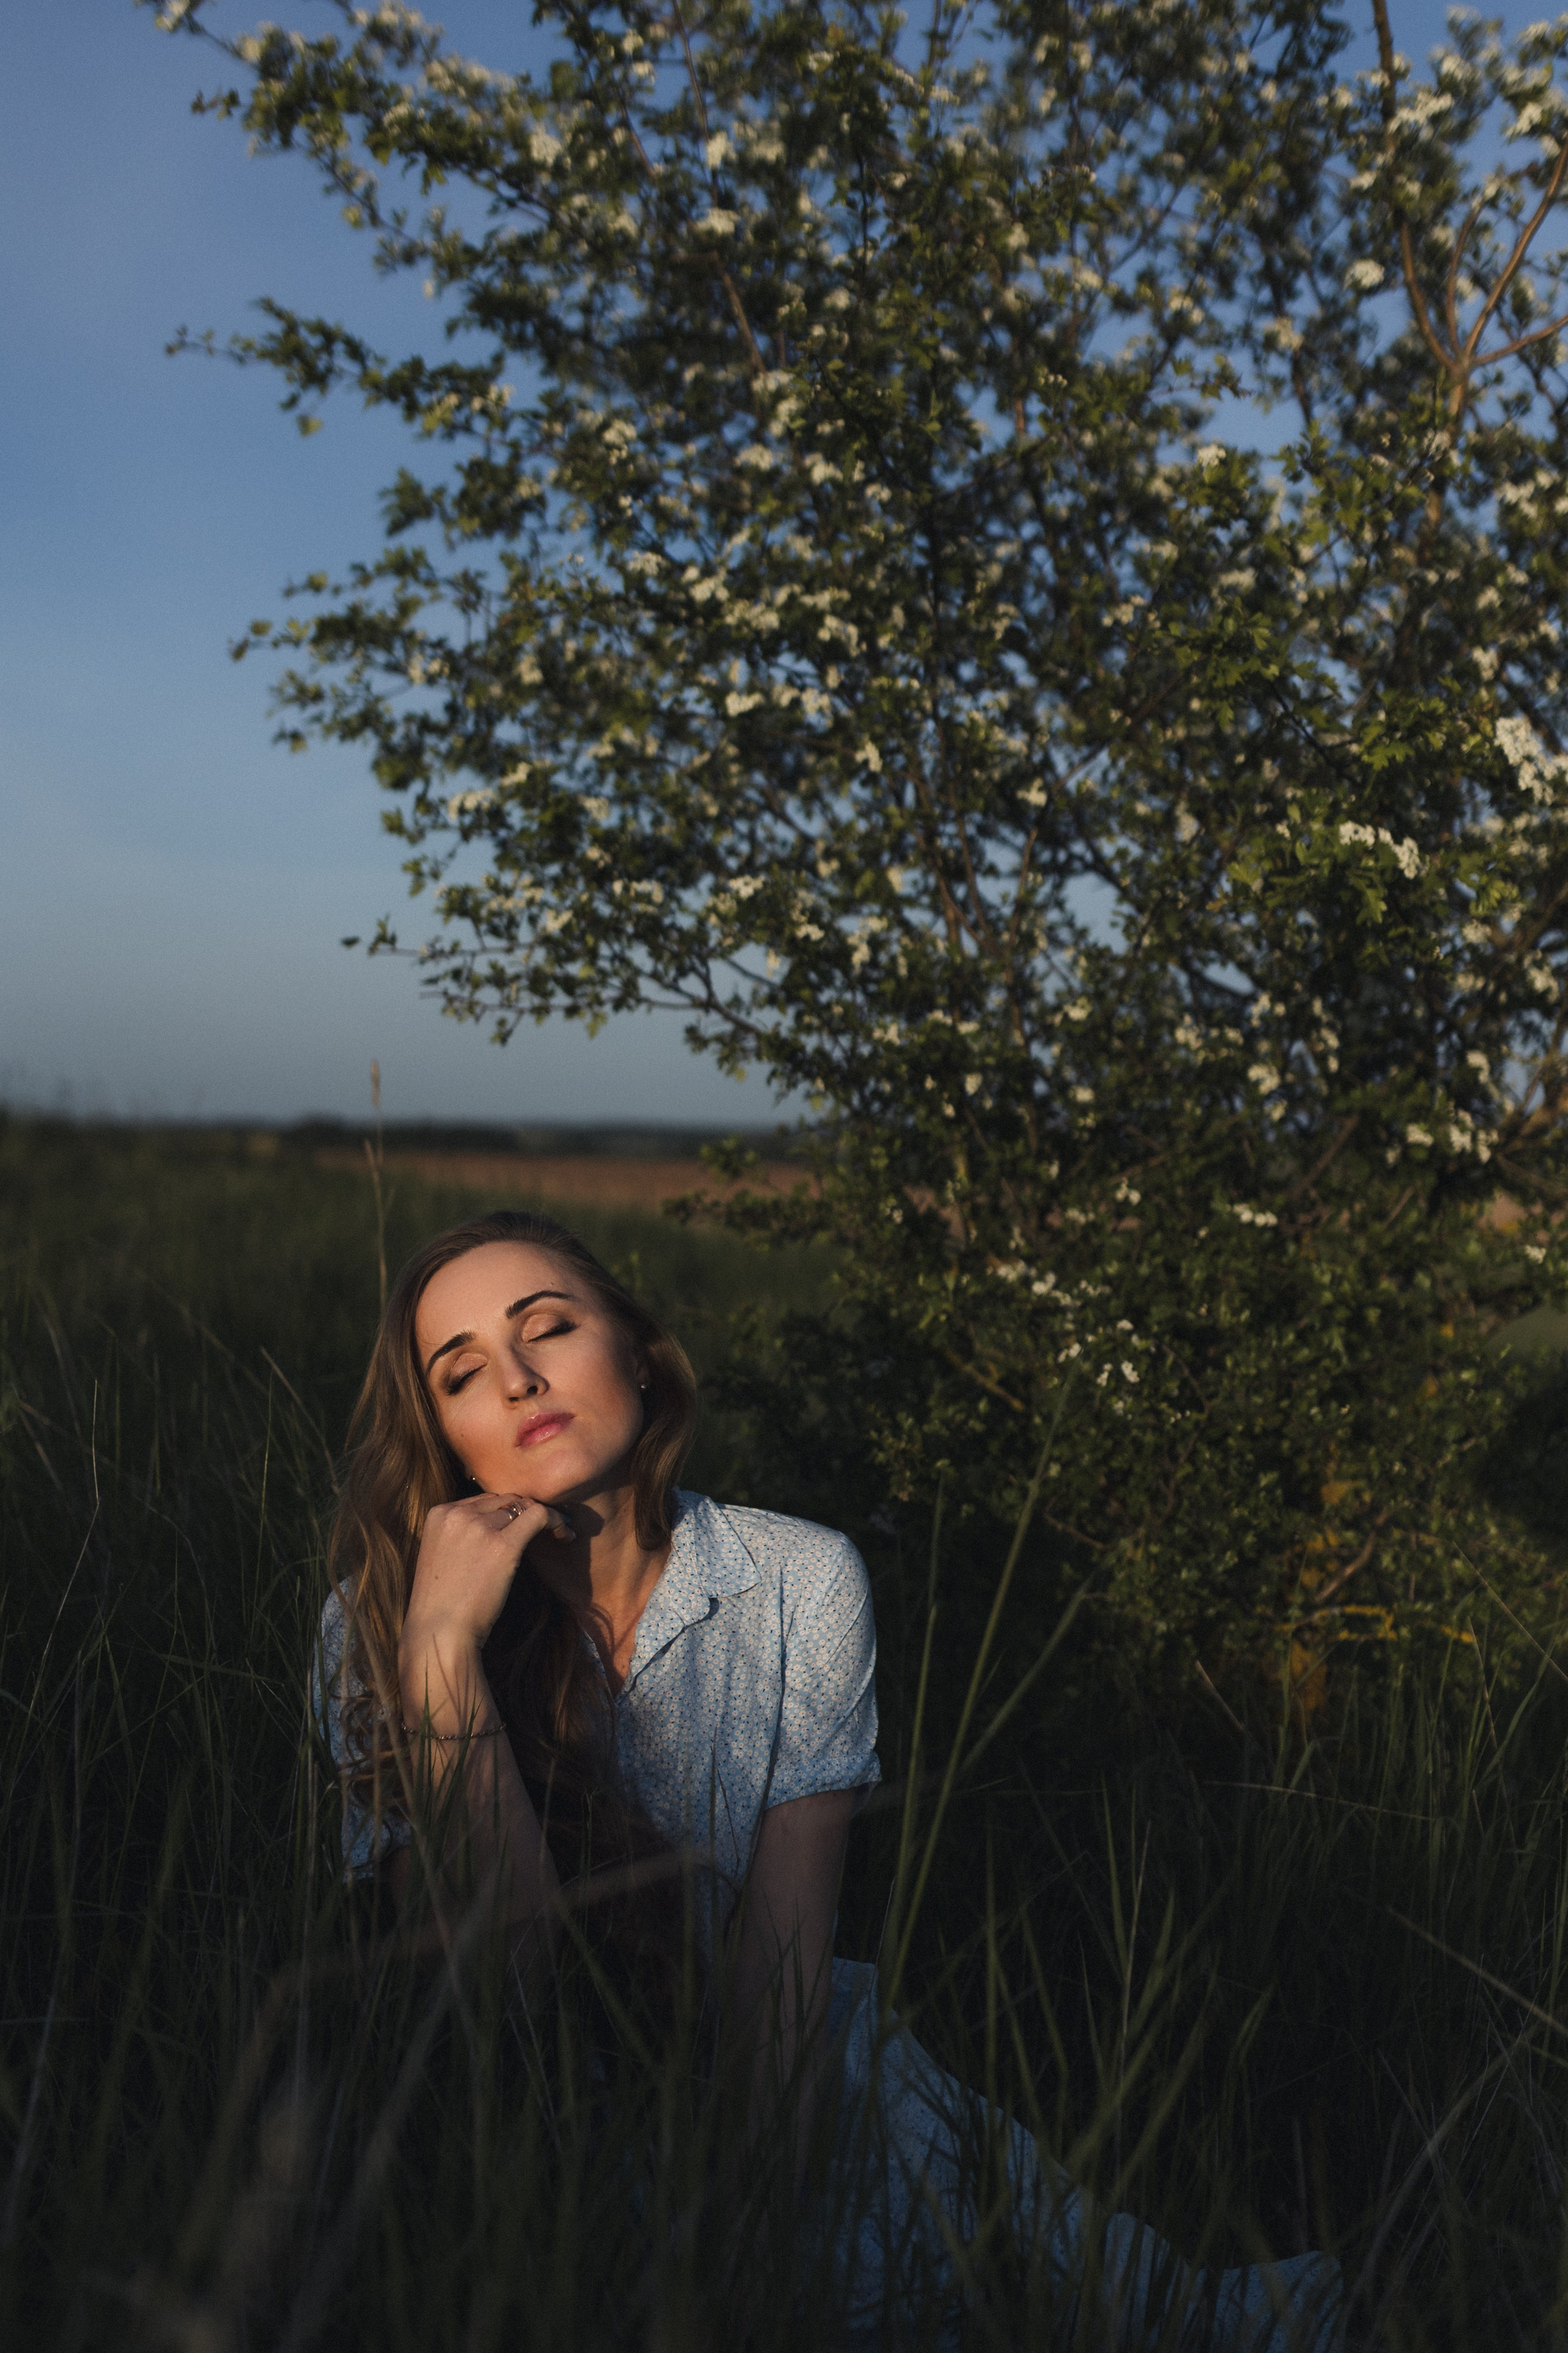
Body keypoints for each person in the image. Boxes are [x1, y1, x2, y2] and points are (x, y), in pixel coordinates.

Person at [315, 1208, 1342, 2350]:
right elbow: (506, 1993)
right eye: (462, 1375)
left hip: (786, 2080)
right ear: (448, 1438)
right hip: (532, 2131)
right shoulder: (380, 1626)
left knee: (1124, 2298)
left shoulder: (801, 1577)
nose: (516, 1381)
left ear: (641, 1358)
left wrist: (746, 2220)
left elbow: (785, 1979)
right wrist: (444, 1650)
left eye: (546, 1327)